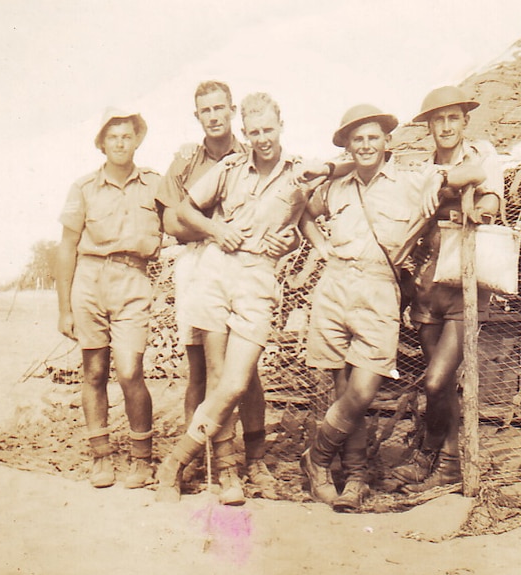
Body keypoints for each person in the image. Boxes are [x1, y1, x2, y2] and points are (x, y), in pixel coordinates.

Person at [299, 104, 486, 512]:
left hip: (379, 288)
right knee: (343, 391)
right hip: (335, 287)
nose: (365, 146)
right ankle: (354, 479)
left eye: (373, 138)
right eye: (357, 139)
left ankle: (315, 459)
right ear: (347, 145)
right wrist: (320, 242)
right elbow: (304, 214)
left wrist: (432, 191)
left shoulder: (411, 179)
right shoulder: (338, 186)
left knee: (363, 391)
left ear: (388, 143)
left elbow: (475, 173)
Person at [156, 92, 324, 504]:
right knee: (216, 376)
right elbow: (183, 210)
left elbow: (308, 218)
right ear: (245, 133)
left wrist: (289, 243)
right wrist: (216, 231)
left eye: (268, 129)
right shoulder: (231, 167)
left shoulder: (300, 173)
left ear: (281, 124)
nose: (262, 138)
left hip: (256, 280)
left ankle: (176, 461)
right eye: (254, 132)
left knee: (235, 382)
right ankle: (228, 472)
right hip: (216, 270)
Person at [156, 80, 278, 499]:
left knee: (245, 374)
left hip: (241, 265)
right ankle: (209, 462)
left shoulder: (250, 155)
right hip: (197, 264)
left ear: (232, 113)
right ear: (197, 116)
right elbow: (172, 221)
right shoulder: (187, 160)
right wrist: (212, 229)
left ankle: (254, 461)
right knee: (201, 370)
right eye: (205, 110)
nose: (214, 116)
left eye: (221, 108)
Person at [391, 85, 504, 492]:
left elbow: (489, 198)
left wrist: (466, 200)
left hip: (463, 289)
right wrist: (437, 185)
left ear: (465, 121)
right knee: (437, 382)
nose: (446, 126)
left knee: (438, 381)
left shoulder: (482, 156)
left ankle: (451, 461)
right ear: (428, 127)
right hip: (426, 290)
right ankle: (432, 455)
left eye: (453, 117)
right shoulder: (418, 171)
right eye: (437, 119)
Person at [55, 108, 161, 489]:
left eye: (127, 135)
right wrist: (64, 308)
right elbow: (66, 247)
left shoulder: (155, 185)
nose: (120, 142)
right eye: (112, 136)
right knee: (95, 372)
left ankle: (141, 459)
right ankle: (101, 457)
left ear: (137, 140)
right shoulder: (83, 188)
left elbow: (180, 222)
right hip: (90, 280)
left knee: (131, 371)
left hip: (132, 280)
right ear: (101, 143)